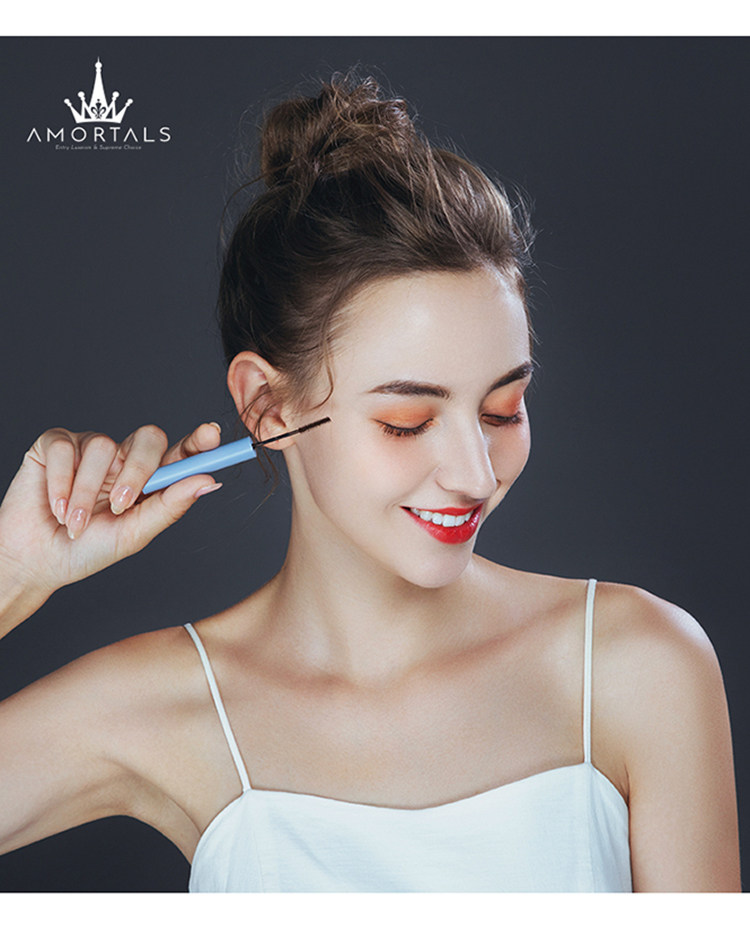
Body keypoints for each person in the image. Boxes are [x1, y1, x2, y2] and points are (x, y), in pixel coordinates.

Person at [0, 72, 740, 893]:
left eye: (502, 409)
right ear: (266, 406)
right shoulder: (158, 708)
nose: (475, 474)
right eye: (407, 422)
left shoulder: (641, 665)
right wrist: (14, 574)